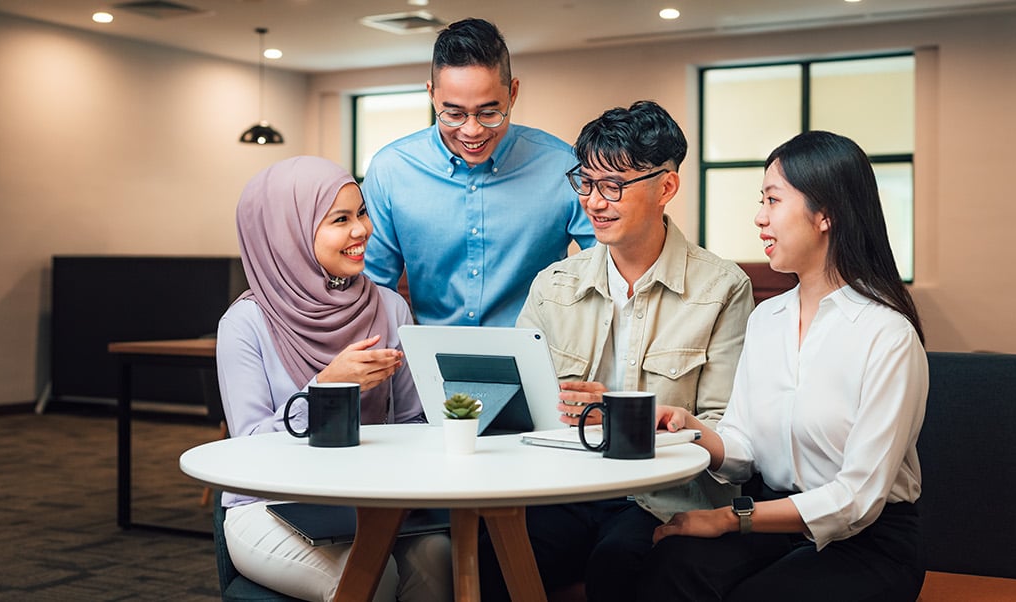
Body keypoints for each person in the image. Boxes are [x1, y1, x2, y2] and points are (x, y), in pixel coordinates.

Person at [477, 101, 754, 601]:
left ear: (666, 187)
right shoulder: (553, 285)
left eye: (613, 186)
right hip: (564, 489)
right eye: (585, 182)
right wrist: (550, 405)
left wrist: (619, 415)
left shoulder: (721, 287)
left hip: (662, 496)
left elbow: (727, 435)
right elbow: (512, 414)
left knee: (618, 564)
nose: (594, 202)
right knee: (489, 551)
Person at [640, 131, 929, 602]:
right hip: (773, 520)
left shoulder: (887, 335)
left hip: (868, 542)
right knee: (672, 566)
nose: (759, 217)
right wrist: (692, 428)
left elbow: (857, 498)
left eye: (772, 200)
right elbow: (744, 447)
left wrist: (728, 518)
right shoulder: (767, 319)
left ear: (825, 215)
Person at [216, 156, 451, 602]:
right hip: (268, 507)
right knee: (369, 580)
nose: (362, 230)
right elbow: (246, 446)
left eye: (362, 213)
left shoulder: (389, 307)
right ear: (288, 233)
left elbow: (415, 421)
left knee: (441, 558)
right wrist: (326, 388)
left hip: (370, 503)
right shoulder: (245, 323)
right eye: (340, 219)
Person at [362, 18, 594, 327]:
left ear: (513, 93)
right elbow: (373, 285)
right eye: (454, 113)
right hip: (429, 359)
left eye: (488, 112)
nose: (472, 130)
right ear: (431, 94)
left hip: (539, 355)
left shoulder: (562, 164)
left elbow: (607, 265)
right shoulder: (390, 170)